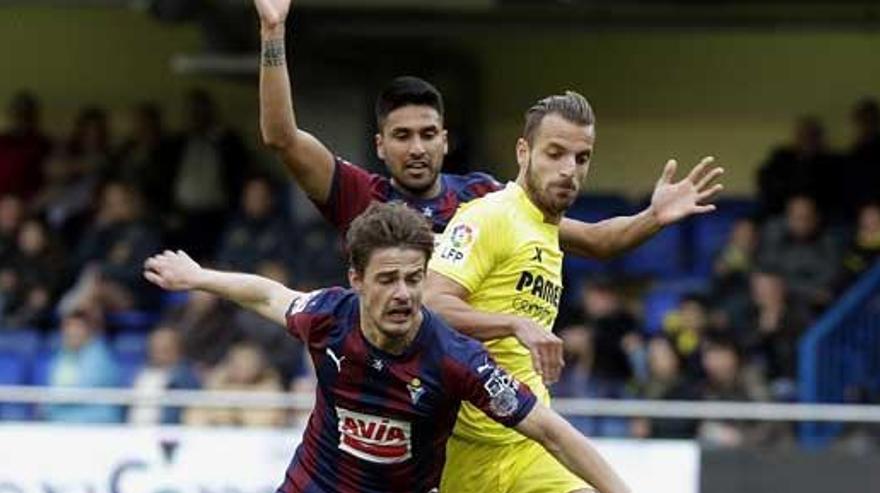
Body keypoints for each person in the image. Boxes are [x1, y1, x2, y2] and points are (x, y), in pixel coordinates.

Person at [254, 0, 723, 381]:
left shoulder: (485, 197)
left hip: (458, 392)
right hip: (382, 384)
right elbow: (282, 137)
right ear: (380, 145)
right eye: (402, 136)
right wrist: (273, 33)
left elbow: (596, 240)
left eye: (427, 133)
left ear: (445, 139)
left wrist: (654, 216)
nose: (416, 147)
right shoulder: (359, 196)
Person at [144, 202, 629, 493]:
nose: (403, 293)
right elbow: (269, 294)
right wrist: (199, 277)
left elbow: (553, 433)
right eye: (388, 279)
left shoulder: (456, 358)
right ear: (356, 279)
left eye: (414, 279)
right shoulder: (328, 317)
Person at [423, 91, 719, 493]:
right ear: (523, 152)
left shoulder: (545, 226)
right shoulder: (488, 216)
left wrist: (653, 217)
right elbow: (432, 305)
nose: (569, 170)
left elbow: (600, 241)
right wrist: (515, 324)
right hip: (462, 450)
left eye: (581, 159)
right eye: (555, 153)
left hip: (528, 444)